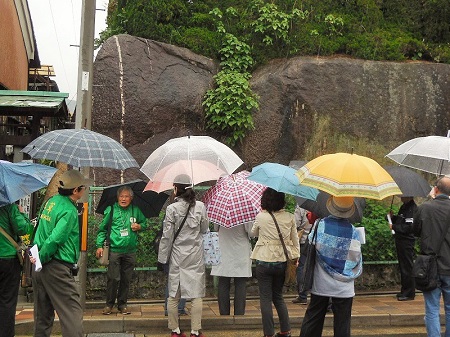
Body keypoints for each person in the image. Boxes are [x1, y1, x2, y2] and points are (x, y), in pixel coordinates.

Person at [31, 170, 93, 337]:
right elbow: (55, 239)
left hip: (38, 264)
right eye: (83, 188)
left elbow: (39, 229)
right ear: (75, 191)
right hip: (56, 266)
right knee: (72, 311)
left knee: (42, 316)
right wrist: (43, 257)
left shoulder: (51, 202)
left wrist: (37, 258)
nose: (85, 190)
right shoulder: (69, 210)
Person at [299, 196, 363, 337]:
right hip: (345, 288)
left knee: (313, 319)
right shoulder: (353, 230)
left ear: (330, 206)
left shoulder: (319, 225)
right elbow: (356, 257)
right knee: (342, 325)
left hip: (321, 283)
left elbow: (309, 247)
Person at [158, 177, 209, 337]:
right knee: (196, 294)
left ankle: (175, 330)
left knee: (174, 293)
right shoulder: (201, 206)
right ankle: (195, 330)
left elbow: (167, 237)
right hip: (195, 255)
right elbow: (204, 229)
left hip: (177, 256)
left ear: (176, 190)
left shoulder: (172, 209)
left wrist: (162, 258)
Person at [251, 187, 300, 337]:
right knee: (278, 296)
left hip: (264, 261)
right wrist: (296, 257)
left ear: (265, 201)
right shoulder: (290, 217)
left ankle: (268, 333)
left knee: (265, 298)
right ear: (282, 200)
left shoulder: (261, 217)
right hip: (282, 261)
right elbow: (294, 239)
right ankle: (286, 330)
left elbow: (253, 233)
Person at [95, 185, 147, 315]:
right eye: (121, 196)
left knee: (126, 279)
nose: (123, 199)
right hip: (114, 250)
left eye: (126, 196)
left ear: (131, 198)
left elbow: (145, 224)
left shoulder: (136, 210)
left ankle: (122, 304)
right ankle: (109, 304)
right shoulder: (111, 210)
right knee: (113, 278)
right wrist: (99, 245)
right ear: (118, 197)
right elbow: (102, 230)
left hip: (130, 250)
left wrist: (139, 226)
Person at [413, 176, 450, 337]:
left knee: (432, 308)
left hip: (430, 266)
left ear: (436, 189)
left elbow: (415, 231)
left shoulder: (425, 207)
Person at [0, 203, 33, 337]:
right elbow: (24, 229)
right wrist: (22, 214)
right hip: (7, 259)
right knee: (7, 301)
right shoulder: (9, 206)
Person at [210, 221, 253, 315]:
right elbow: (251, 232)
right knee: (240, 282)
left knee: (223, 281)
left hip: (223, 246)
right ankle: (239, 313)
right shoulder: (244, 211)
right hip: (240, 249)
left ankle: (224, 313)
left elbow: (216, 228)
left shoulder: (220, 211)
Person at [389, 196, 417, 301]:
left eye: (403, 196)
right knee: (403, 266)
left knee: (407, 266)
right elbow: (402, 221)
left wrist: (395, 227)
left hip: (407, 241)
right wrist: (393, 218)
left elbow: (409, 227)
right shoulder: (404, 207)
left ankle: (409, 293)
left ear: (409, 196)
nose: (401, 197)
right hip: (400, 240)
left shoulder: (412, 209)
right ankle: (404, 290)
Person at [292, 205, 311, 305]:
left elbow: (295, 223)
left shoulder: (302, 206)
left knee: (301, 268)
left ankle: (302, 295)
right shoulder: (323, 204)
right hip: (319, 241)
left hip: (304, 241)